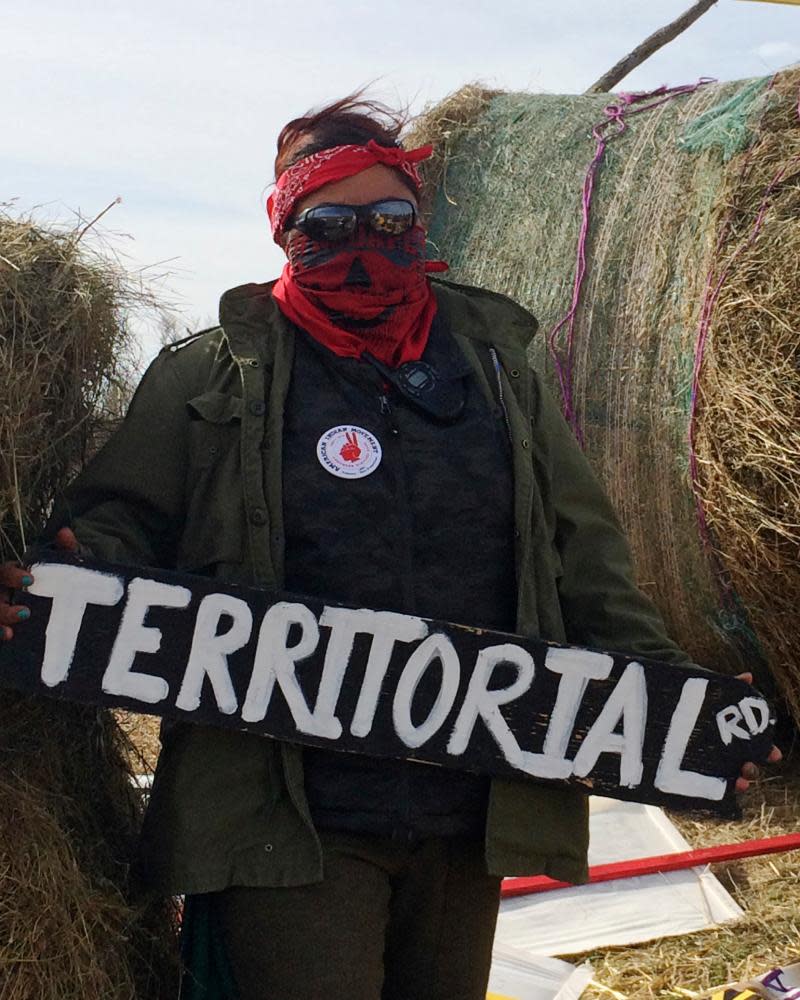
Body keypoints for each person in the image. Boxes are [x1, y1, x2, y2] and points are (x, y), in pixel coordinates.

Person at [0, 94, 781, 1000]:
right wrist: (51, 584)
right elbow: (121, 520)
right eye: (328, 224)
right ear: (285, 228)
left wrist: (682, 707)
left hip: (471, 794)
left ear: (421, 223)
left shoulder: (494, 371)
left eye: (390, 220)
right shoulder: (210, 372)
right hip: (286, 808)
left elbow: (585, 559)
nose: (363, 243)